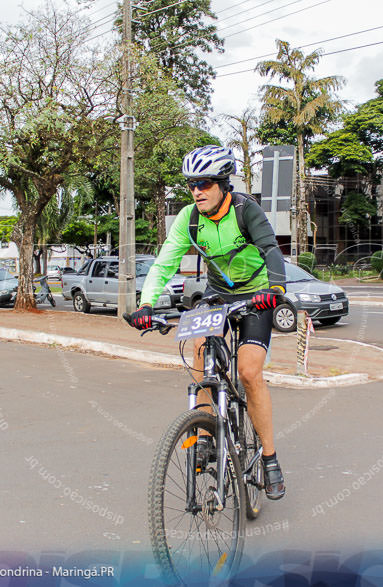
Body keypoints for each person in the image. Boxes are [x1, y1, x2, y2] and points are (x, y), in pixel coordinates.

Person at [128, 145, 288, 500]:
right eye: (191, 185)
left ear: (222, 184)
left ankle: (270, 457)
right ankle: (203, 435)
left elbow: (271, 251)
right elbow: (163, 264)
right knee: (200, 350)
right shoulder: (190, 218)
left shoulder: (247, 210)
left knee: (248, 372)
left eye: (205, 183)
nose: (197, 191)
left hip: (257, 293)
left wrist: (275, 288)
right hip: (217, 293)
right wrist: (146, 303)